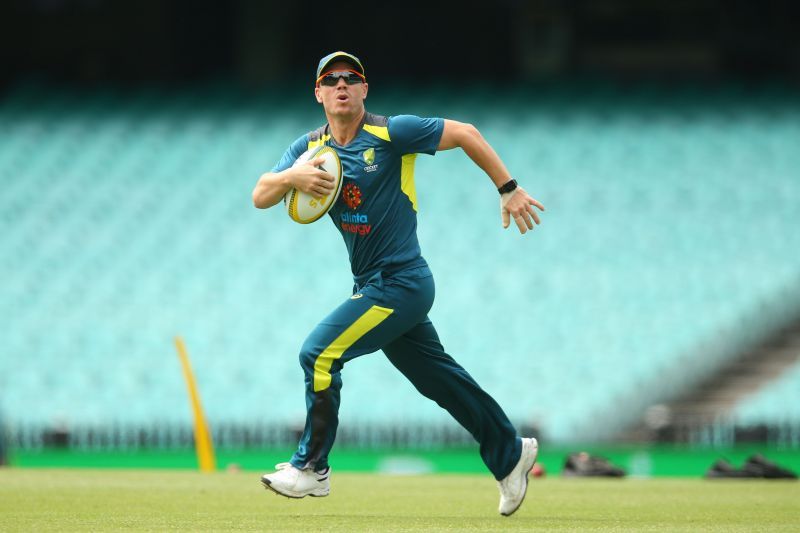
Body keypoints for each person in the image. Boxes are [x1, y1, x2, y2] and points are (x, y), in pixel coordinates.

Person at [252, 51, 545, 516]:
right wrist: (292, 175)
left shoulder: (391, 133)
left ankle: (312, 469)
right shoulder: (309, 149)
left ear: (365, 89)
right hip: (374, 283)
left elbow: (467, 133)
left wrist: (508, 189)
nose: (342, 84)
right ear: (319, 93)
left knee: (318, 353)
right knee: (440, 381)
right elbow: (261, 195)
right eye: (331, 79)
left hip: (401, 282)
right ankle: (510, 453)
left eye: (352, 77)